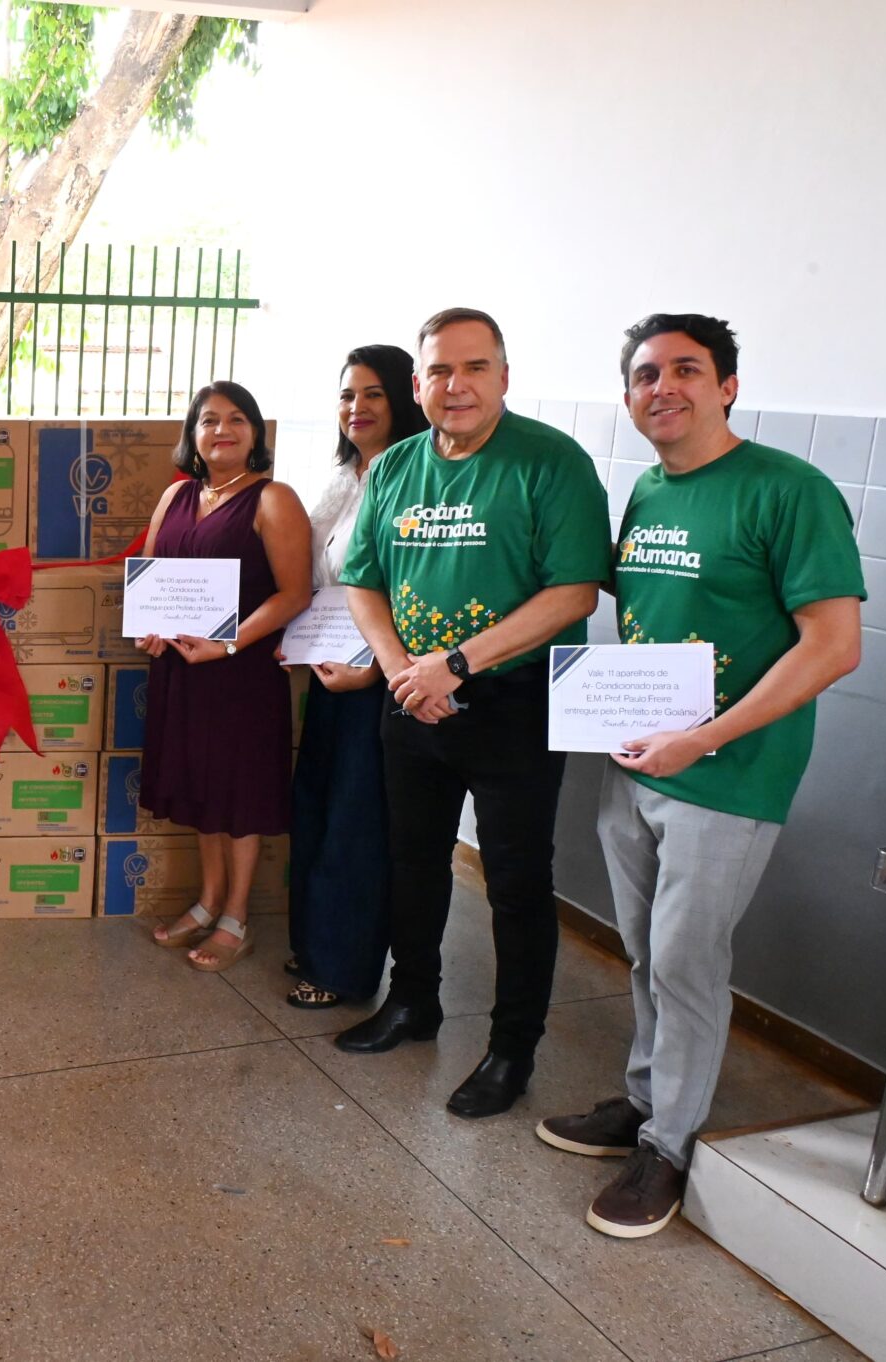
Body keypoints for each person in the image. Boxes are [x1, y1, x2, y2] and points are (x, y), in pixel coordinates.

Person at [537, 315, 863, 1237]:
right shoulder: (648, 489)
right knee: (646, 948)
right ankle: (644, 1104)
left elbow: (834, 646)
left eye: (687, 370)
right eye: (644, 374)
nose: (662, 387)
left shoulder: (790, 493)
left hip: (729, 772)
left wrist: (705, 735)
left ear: (728, 385)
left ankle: (670, 1147)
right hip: (640, 764)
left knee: (687, 958)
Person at [335, 307, 609, 1120]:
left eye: (476, 367)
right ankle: (413, 1001)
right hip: (410, 695)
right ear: (417, 385)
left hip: (512, 701)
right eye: (440, 371)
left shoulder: (550, 463)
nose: (457, 386)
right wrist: (401, 671)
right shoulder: (396, 468)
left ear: (504, 376)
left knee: (518, 884)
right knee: (412, 860)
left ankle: (511, 1049)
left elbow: (574, 592)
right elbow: (363, 579)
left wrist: (455, 664)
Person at [139, 380, 313, 972]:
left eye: (237, 419)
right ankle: (208, 901)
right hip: (181, 671)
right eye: (208, 420)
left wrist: (228, 643)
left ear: (256, 434)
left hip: (238, 674)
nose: (222, 430)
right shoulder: (176, 497)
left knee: (237, 795)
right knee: (199, 789)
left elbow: (294, 595)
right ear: (192, 435)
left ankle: (237, 916)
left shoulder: (273, 499)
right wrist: (153, 627)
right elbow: (156, 580)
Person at [281, 345, 429, 1009]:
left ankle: (342, 968)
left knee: (357, 825)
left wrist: (374, 670)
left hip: (383, 679)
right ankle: (314, 944)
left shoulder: (418, 482)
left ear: (404, 398)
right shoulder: (343, 480)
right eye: (347, 395)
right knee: (315, 807)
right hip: (329, 672)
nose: (357, 407)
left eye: (373, 393)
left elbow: (413, 590)